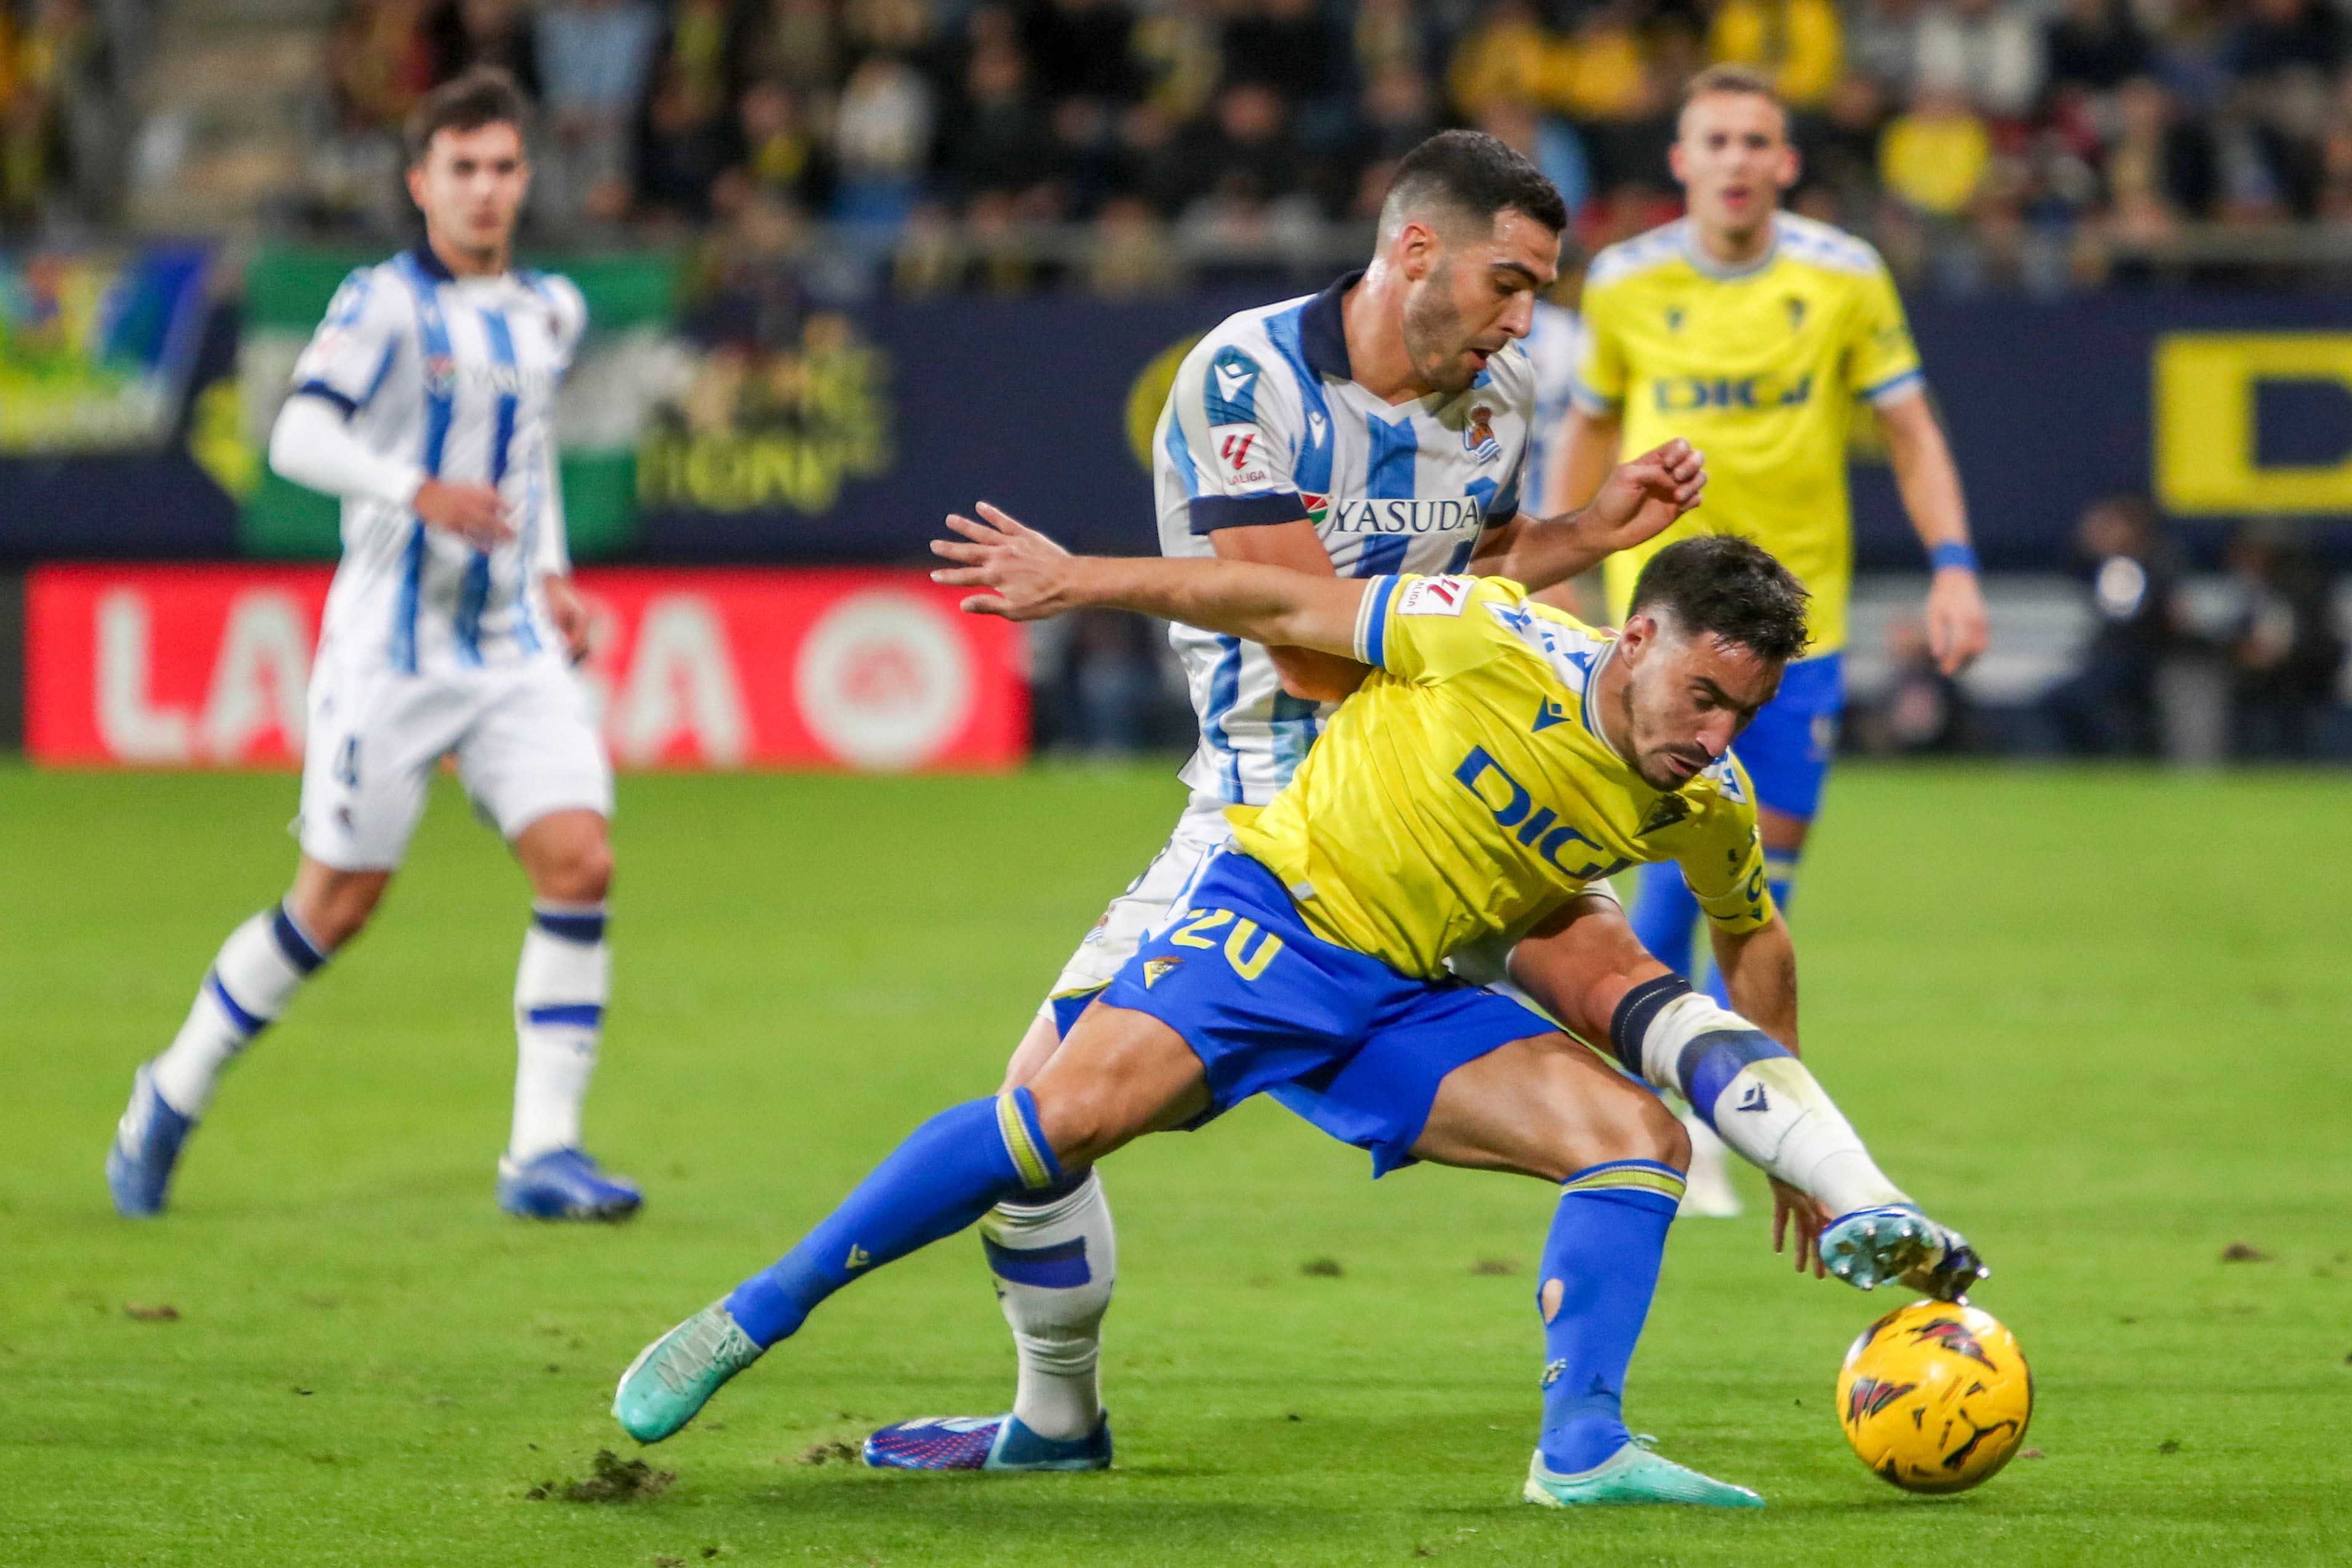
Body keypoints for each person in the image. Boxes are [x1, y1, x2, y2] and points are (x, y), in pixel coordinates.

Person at [613, 525, 1987, 1511]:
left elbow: (1755, 934)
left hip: (1416, 1000)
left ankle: (1581, 1451)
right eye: (1702, 695)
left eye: (1742, 713)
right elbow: (1264, 598)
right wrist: (1075, 580)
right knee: (1056, 1126)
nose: (1715, 736)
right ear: (1635, 637)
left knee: (1639, 1139)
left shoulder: (1700, 797)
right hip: (1271, 926)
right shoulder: (1483, 636)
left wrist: (1791, 1142)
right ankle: (755, 1317)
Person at [854, 129, 1703, 1476]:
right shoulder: (1243, 378)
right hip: (1266, 817)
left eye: (1537, 290)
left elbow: (1470, 580)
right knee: (1031, 1136)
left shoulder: (1499, 402)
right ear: (1415, 249)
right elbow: (1308, 647)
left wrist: (1586, 537)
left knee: (1646, 1021)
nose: (1522, 318)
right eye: (1508, 282)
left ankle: (1719, 1305)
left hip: (1429, 810)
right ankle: (1055, 1420)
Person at [105, 68, 640, 1224]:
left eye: (503, 167)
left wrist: (550, 572)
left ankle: (542, 1152)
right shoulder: (381, 303)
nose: (486, 189)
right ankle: (171, 1088)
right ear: (421, 182)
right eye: (463, 169)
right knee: (334, 908)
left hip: (507, 650)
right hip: (388, 661)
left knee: (580, 862)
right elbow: (295, 430)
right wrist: (414, 488)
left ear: (524, 179)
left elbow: (528, 463)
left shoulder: (548, 310)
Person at [1546, 63, 1988, 1218]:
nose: (1738, 159)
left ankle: (1722, 1104)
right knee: (1661, 865)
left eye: (1757, 141)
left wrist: (1953, 565)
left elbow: (1913, 429)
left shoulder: (1843, 276)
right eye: (1717, 141)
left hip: (1804, 636)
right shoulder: (1630, 284)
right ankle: (1670, 1120)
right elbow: (1586, 433)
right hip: (1661, 634)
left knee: (1757, 878)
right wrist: (1558, 579)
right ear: (1682, 161)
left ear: (1785, 163)